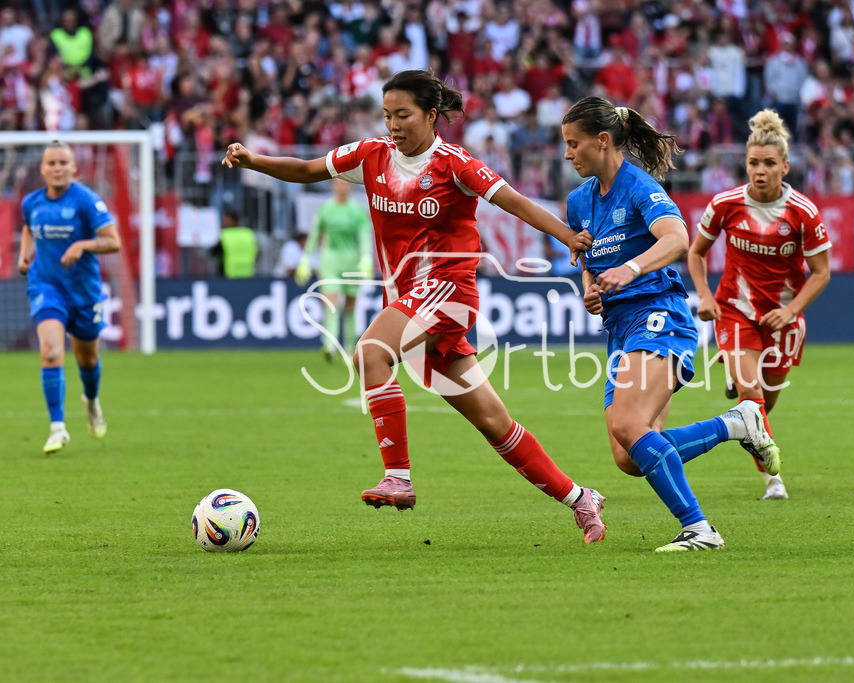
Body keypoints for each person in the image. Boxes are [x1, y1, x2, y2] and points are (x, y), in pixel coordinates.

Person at [222, 70, 606, 543]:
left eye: (403, 115)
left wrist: (567, 235)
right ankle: (580, 498)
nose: (393, 125)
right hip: (411, 303)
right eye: (387, 115)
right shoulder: (370, 156)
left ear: (430, 115)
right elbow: (306, 170)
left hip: (449, 291)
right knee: (493, 422)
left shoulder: (455, 163)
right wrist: (252, 160)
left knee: (369, 352)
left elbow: (515, 202)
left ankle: (398, 478)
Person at [561, 96, 781, 553]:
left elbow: (678, 237)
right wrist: (590, 285)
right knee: (629, 456)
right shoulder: (579, 201)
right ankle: (737, 423)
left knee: (627, 424)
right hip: (622, 327)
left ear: (603, 141)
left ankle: (699, 528)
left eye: (574, 144)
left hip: (660, 314)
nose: (568, 154)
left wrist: (632, 269)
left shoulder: (639, 186)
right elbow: (586, 255)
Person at [687, 109, 833, 501]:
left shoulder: (803, 212)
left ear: (785, 166)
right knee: (752, 398)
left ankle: (742, 388)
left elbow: (821, 272)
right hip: (735, 309)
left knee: (765, 401)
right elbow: (696, 253)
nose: (760, 170)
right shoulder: (725, 204)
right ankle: (773, 479)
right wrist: (703, 294)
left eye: (769, 163)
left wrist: (791, 310)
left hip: (782, 318)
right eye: (754, 163)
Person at [17, 141, 122, 454]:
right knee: (50, 352)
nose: (58, 168)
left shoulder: (86, 201)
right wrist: (25, 256)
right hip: (46, 285)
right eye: (52, 163)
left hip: (84, 291)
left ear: (74, 168)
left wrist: (81, 246)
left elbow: (112, 241)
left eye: (64, 162)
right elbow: (28, 228)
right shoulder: (31, 202)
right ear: (42, 169)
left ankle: (90, 400)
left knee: (87, 359)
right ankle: (57, 427)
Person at [298, 177, 373, 359]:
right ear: (333, 186)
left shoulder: (357, 211)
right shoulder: (325, 210)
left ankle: (349, 346)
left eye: (345, 183)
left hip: (351, 262)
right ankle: (329, 344)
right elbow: (315, 235)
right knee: (330, 303)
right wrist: (306, 259)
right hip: (330, 260)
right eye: (339, 183)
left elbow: (364, 236)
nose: (342, 187)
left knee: (350, 305)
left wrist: (366, 258)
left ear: (350, 186)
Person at [210, 210, 258, 278]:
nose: (224, 222)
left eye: (226, 220)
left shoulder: (225, 234)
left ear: (234, 220)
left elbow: (214, 252)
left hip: (229, 273)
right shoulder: (248, 233)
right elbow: (256, 251)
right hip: (248, 273)